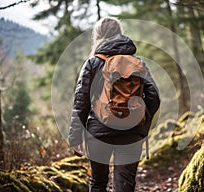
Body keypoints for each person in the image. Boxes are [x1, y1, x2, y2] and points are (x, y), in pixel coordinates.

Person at [68, 17, 160, 192]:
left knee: (98, 183)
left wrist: (75, 137)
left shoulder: (93, 63)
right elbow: (154, 97)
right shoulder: (137, 63)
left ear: (97, 36)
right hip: (131, 133)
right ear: (120, 34)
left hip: (98, 132)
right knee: (124, 185)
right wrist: (140, 119)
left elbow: (81, 101)